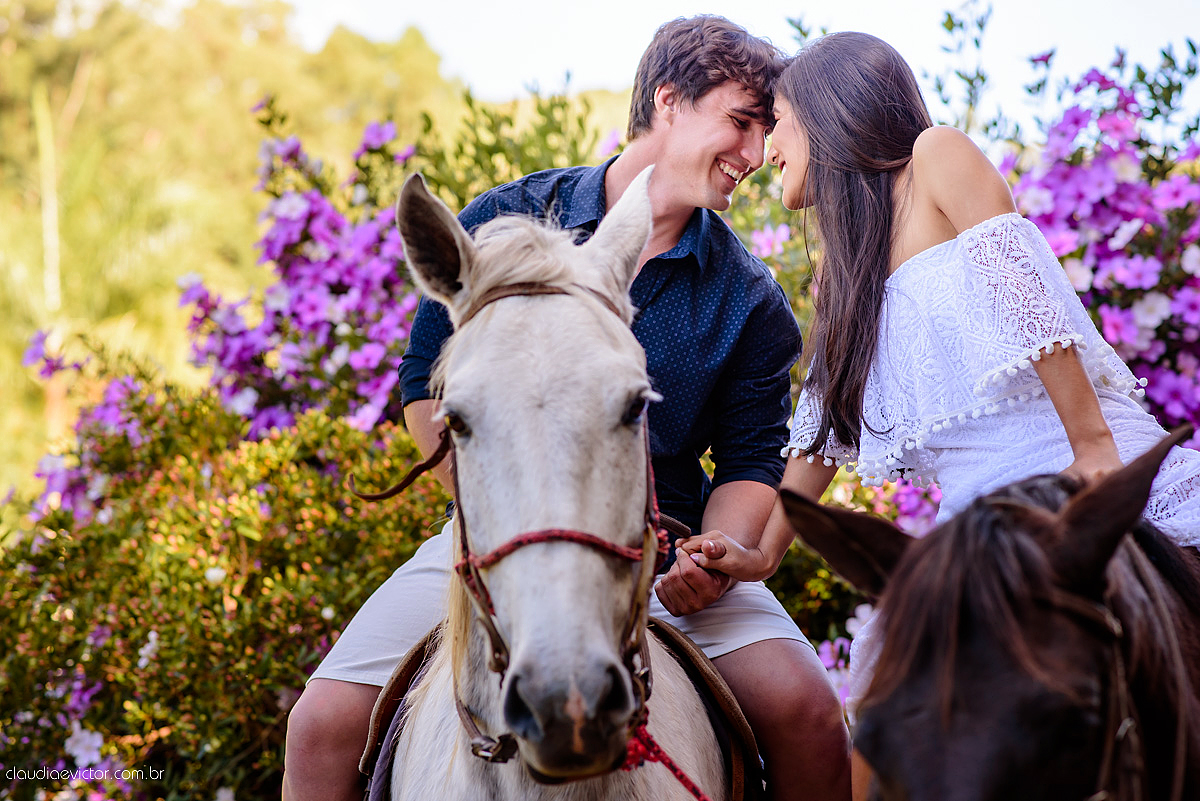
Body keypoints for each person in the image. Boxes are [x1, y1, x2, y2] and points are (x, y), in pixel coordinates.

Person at [282, 16, 853, 801]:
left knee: (812, 716)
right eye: (741, 121)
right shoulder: (506, 218)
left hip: (671, 553)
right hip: (498, 540)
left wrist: (716, 553)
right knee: (319, 727)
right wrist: (497, 518)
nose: (755, 155)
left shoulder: (747, 296)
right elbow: (424, 385)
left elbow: (752, 456)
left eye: (765, 131)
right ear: (669, 102)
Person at [677, 29, 1200, 801]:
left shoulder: (936, 157)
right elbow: (821, 432)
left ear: (827, 111)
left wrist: (1092, 451)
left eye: (777, 121)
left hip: (1082, 474)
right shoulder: (838, 276)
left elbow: (1030, 299)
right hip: (976, 534)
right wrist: (764, 554)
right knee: (889, 723)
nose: (767, 151)